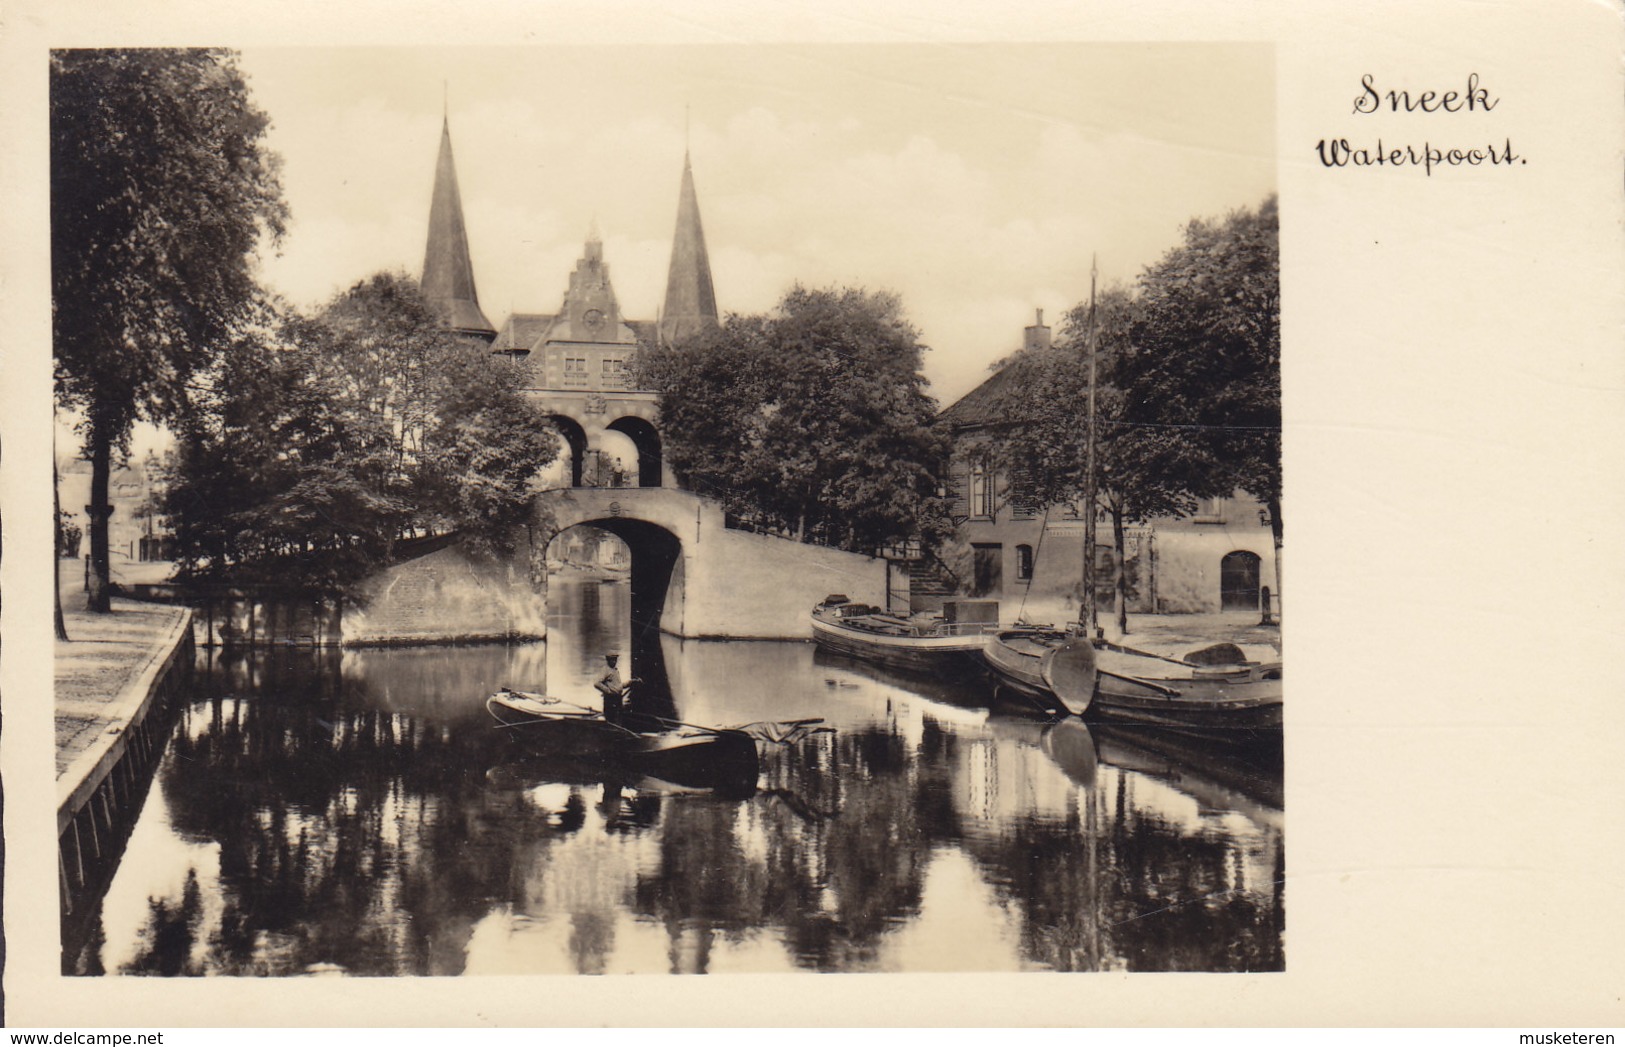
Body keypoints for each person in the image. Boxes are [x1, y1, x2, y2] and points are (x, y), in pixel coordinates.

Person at [594, 652, 625, 724]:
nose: (614, 662)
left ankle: (618, 732)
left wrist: (630, 683)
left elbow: (617, 686)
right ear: (608, 660)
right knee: (611, 719)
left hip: (617, 699)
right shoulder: (605, 670)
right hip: (610, 699)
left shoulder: (615, 670)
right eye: (612, 660)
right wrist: (608, 691)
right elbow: (597, 683)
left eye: (615, 660)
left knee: (618, 718)